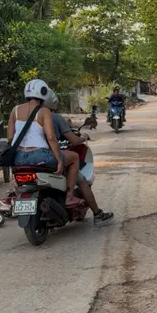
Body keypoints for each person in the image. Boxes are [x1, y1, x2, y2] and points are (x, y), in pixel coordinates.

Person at [8, 79, 82, 207]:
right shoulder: (44, 111)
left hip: (18, 157)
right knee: (74, 157)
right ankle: (69, 197)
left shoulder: (15, 110)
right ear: (44, 93)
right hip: (39, 156)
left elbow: (10, 137)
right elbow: (51, 137)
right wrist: (59, 160)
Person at [45, 91, 113, 225]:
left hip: (31, 159)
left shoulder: (28, 117)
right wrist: (82, 138)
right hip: (51, 156)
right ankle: (97, 214)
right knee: (82, 180)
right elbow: (72, 140)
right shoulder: (55, 118)